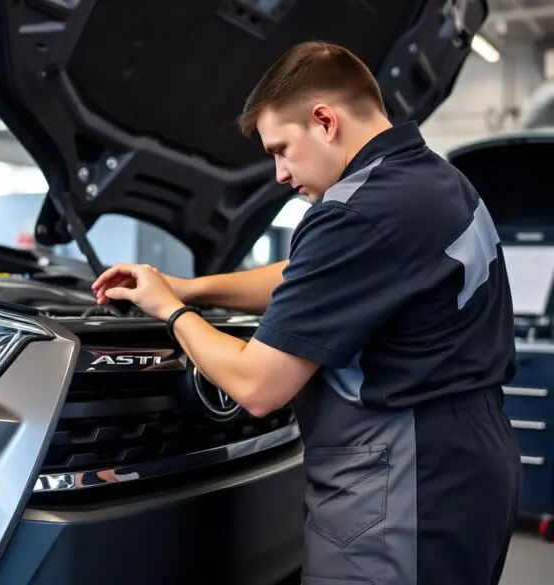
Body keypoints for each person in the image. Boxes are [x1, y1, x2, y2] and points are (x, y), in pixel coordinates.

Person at [91, 41, 521, 585]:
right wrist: (192, 287)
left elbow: (256, 384)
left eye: (281, 149)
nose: (279, 174)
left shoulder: (354, 212)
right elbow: (311, 278)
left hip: (403, 480)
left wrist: (171, 311)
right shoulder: (432, 179)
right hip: (470, 459)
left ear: (324, 121)